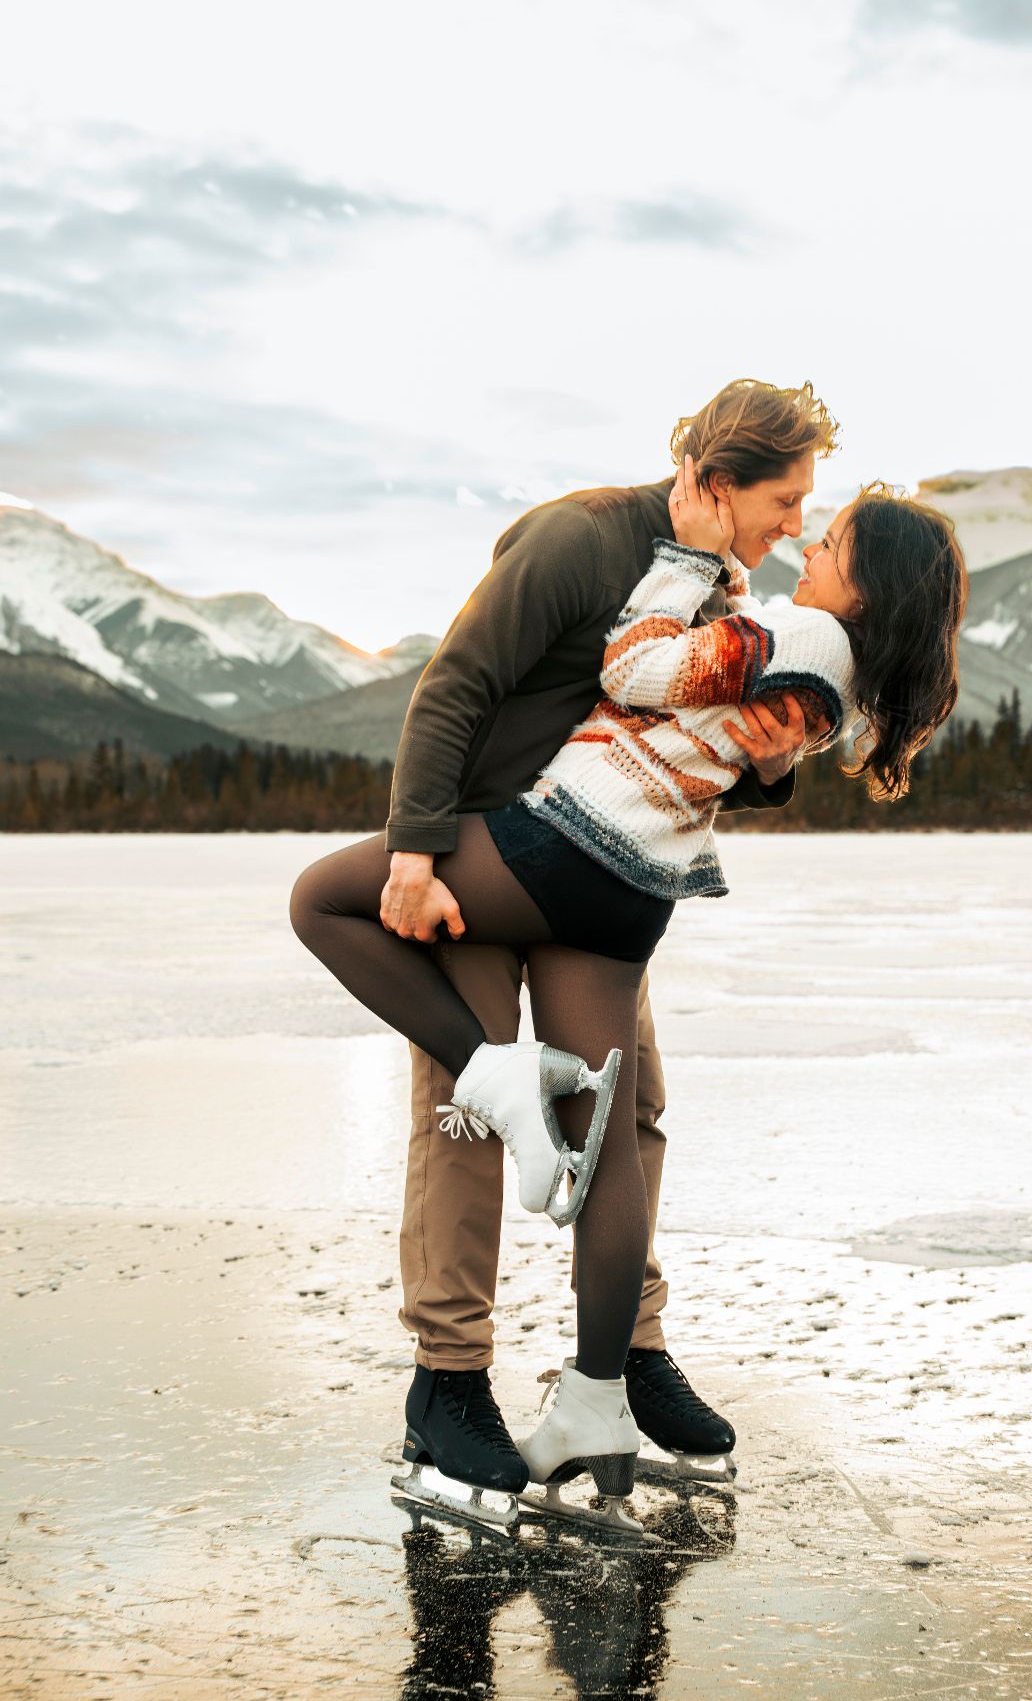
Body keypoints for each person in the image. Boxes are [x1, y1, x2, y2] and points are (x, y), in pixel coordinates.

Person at [288, 378, 967, 1535]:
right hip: (481, 848)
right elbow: (455, 686)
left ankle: (624, 1360)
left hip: (589, 864)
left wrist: (766, 765)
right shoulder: (580, 538)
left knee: (622, 1116)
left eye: (815, 511)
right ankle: (450, 1384)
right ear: (715, 483)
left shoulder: (739, 586)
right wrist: (412, 850)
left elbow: (714, 728)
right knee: (466, 1114)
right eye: (786, 499)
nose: (795, 524)